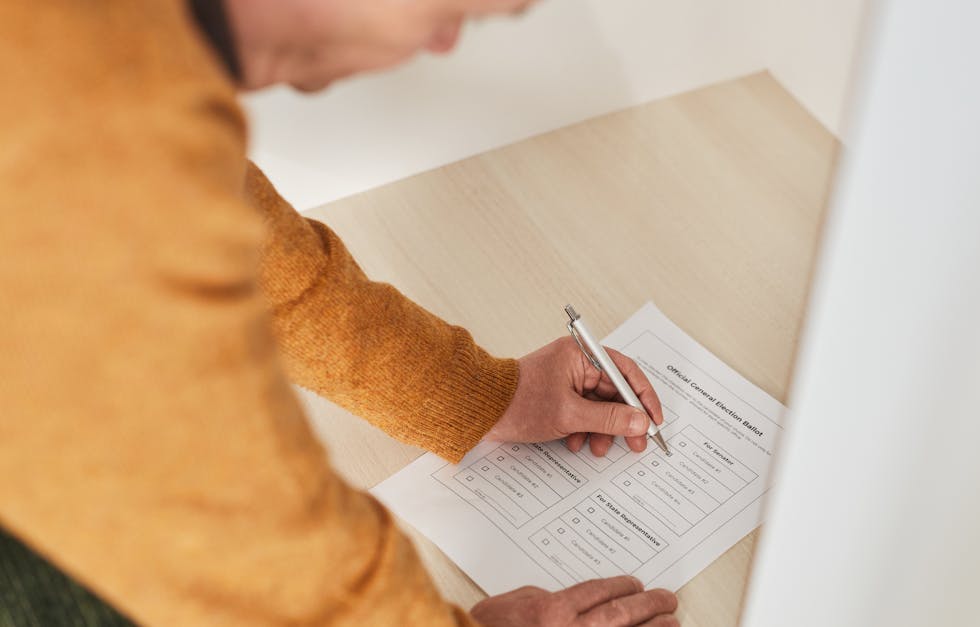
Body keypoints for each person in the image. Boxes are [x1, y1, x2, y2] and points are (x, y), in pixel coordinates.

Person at [0, 0, 680, 625]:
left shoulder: (116, 43)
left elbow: (276, 273)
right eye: (453, 9)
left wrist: (485, 392)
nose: (443, 44)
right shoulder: (83, 125)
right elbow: (246, 534)